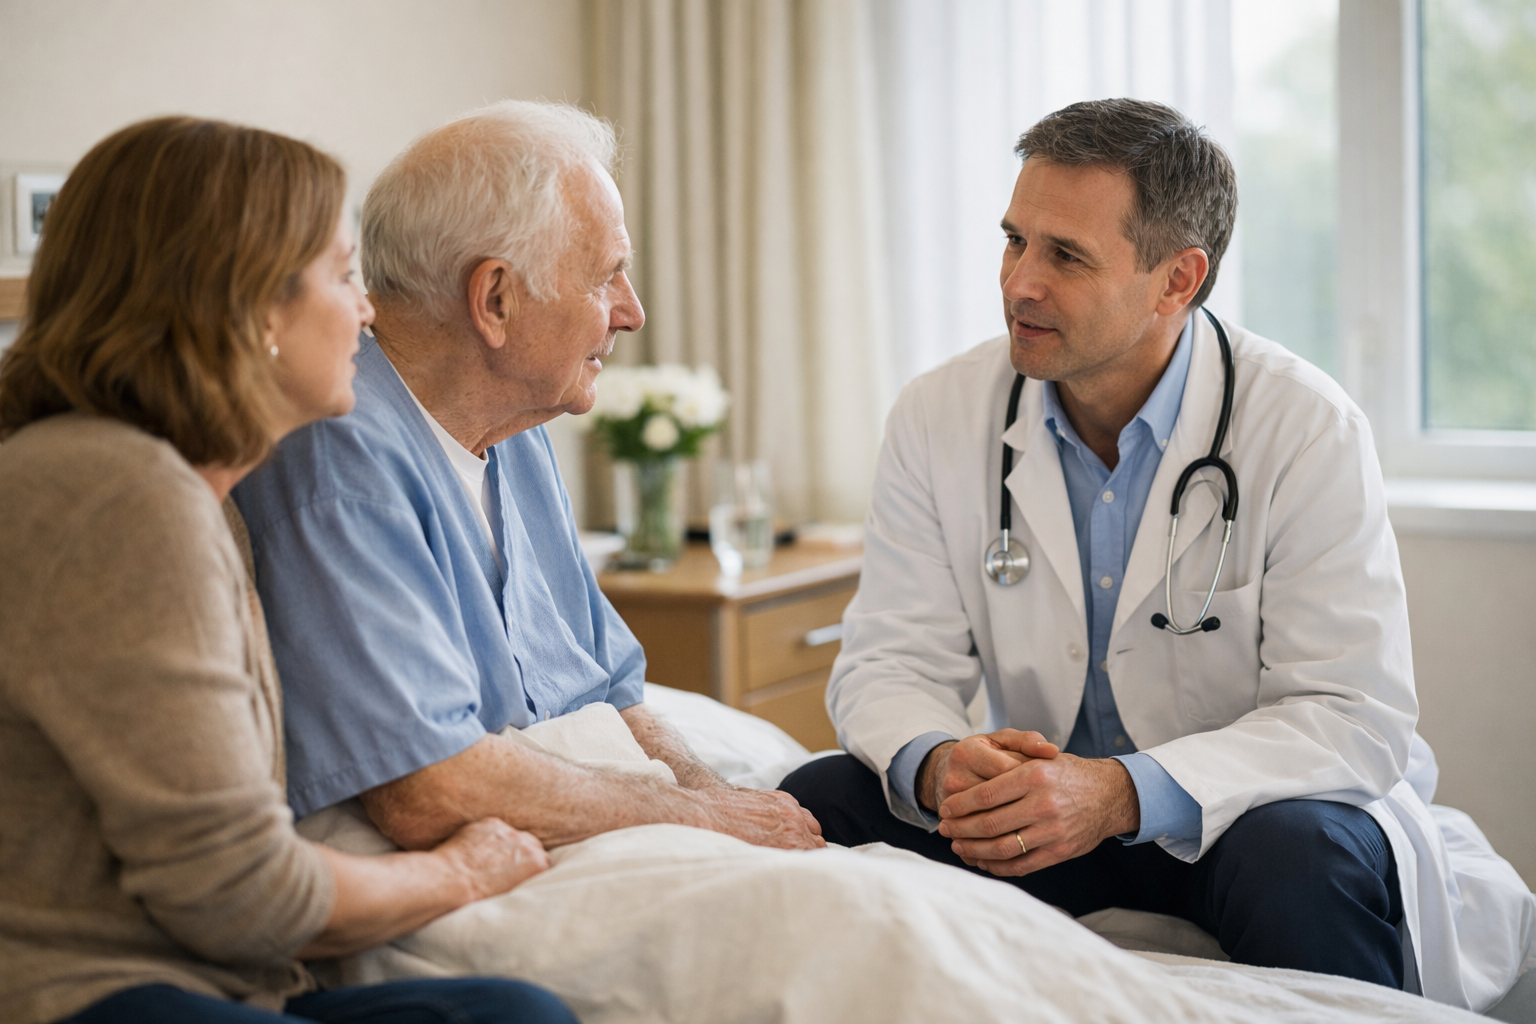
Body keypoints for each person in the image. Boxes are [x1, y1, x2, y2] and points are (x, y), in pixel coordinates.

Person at [780, 98, 1534, 1008]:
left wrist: (1123, 793)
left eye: (1066, 255)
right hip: (1043, 816)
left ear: (1177, 280)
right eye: (1015, 240)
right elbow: (890, 660)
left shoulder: (1304, 426)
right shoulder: (940, 413)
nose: (1020, 282)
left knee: (1303, 857)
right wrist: (941, 760)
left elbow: (1352, 715)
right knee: (822, 797)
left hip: (1241, 821)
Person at [0, 116, 576, 1024]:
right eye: (343, 276)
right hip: (82, 995)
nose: (369, 310)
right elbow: (242, 892)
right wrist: (461, 869)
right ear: (251, 308)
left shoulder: (189, 493)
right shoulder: (121, 495)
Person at [232, 100, 822, 855]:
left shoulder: (518, 428)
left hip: (567, 794)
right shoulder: (339, 459)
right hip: (453, 841)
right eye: (608, 276)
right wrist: (699, 819)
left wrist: (715, 799)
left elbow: (609, 686)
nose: (632, 313)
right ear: (497, 300)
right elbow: (426, 789)